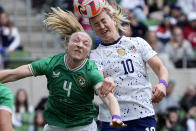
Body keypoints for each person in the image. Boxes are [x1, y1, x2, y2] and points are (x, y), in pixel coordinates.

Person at [0, 8, 125, 131]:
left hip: (83, 127)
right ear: (66, 45)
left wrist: (116, 116)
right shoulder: (51, 63)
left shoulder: (91, 72)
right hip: (54, 126)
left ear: (88, 53)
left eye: (85, 43)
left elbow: (108, 97)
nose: (80, 45)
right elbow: (14, 74)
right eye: (76, 41)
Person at [83, 1, 169, 130]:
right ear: (93, 29)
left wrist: (163, 84)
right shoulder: (95, 55)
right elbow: (98, 84)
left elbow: (160, 68)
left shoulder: (137, 42)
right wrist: (104, 82)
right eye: (96, 24)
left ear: (113, 19)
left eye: (103, 21)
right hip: (112, 120)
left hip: (143, 116)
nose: (101, 26)